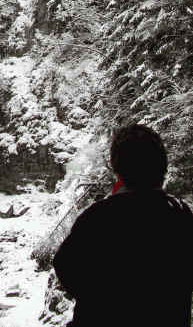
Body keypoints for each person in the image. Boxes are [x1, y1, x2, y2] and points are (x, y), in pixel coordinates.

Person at [53, 124, 193, 327]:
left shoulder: (97, 217)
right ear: (162, 167)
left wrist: (101, 298)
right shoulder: (180, 216)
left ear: (117, 168)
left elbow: (65, 266)